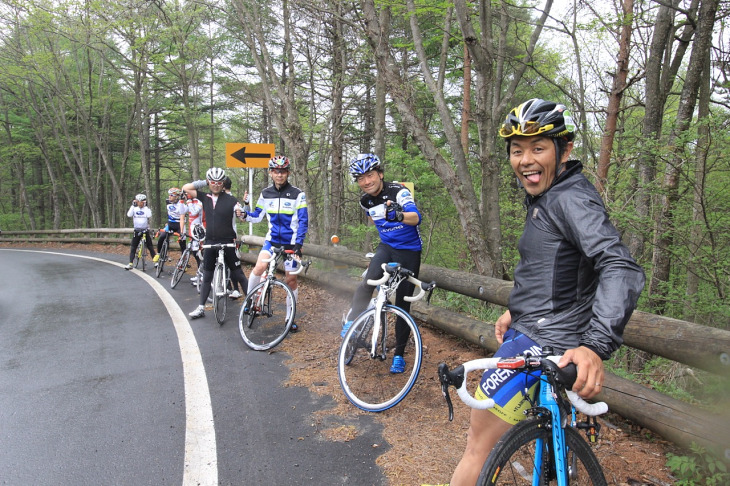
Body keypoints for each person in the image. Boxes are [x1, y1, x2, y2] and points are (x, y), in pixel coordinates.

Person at [449, 98, 645, 485]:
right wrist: (515, 311)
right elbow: (554, 271)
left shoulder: (571, 198)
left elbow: (619, 267)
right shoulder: (549, 195)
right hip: (538, 329)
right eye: (517, 150)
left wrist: (595, 345)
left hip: (542, 342)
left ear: (565, 149)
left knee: (478, 445)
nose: (525, 160)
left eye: (538, 148)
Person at [340, 153, 422, 373]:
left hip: (409, 251)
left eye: (370, 176)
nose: (366, 182)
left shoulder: (399, 192)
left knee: (403, 303)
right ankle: (351, 322)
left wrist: (399, 215)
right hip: (386, 248)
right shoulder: (364, 200)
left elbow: (416, 217)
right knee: (367, 283)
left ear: (380, 174)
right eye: (361, 179)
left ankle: (399, 356)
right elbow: (373, 220)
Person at [242, 155, 309, 331]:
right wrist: (244, 214)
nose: (279, 175)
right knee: (258, 268)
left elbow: (303, 221)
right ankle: (250, 300)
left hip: (291, 243)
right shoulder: (265, 193)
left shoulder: (297, 194)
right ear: (270, 173)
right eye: (276, 171)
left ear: (288, 173)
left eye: (283, 171)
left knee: (291, 279)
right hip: (271, 241)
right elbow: (257, 216)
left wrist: (298, 244)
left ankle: (290, 317)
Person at [182, 167, 249, 319]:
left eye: (219, 182)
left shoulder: (232, 200)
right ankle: (201, 308)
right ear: (209, 182)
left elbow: (243, 218)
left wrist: (243, 209)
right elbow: (186, 188)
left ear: (223, 183)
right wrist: (204, 182)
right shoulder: (204, 197)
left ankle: (251, 305)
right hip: (210, 242)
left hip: (228, 242)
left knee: (239, 274)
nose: (216, 185)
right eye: (212, 182)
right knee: (207, 276)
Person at [154, 187, 187, 266]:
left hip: (179, 225)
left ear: (177, 197)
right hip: (170, 224)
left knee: (182, 243)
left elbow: (183, 217)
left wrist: (181, 232)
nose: (169, 197)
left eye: (172, 195)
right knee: (162, 237)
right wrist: (167, 223)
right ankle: (159, 254)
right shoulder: (168, 203)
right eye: (169, 195)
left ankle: (184, 262)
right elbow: (169, 214)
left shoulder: (182, 205)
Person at [125, 193, 157, 270]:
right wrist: (133, 205)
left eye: (141, 202)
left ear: (144, 202)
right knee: (133, 247)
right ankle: (130, 263)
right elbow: (129, 215)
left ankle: (156, 262)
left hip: (145, 230)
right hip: (137, 230)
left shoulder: (146, 209)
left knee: (150, 247)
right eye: (138, 202)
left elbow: (149, 215)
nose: (140, 203)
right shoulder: (134, 208)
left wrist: (146, 207)